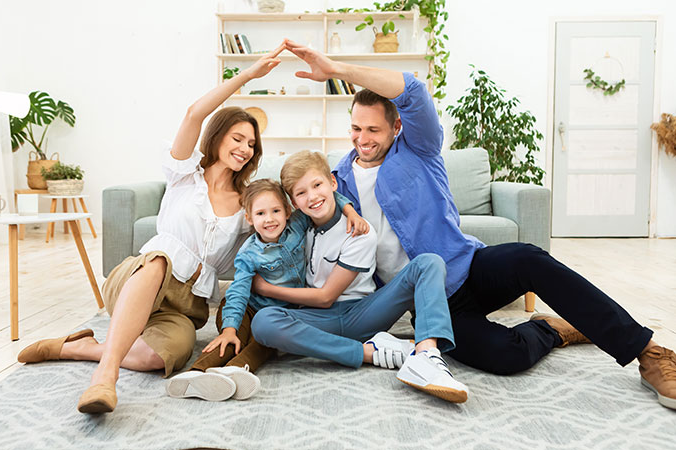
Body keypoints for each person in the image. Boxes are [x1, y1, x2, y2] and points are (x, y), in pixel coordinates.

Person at [280, 39, 676, 411]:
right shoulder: (337, 179)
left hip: (468, 267)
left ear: (396, 128)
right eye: (355, 128)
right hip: (431, 302)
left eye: (373, 130)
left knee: (529, 259)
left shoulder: (419, 147)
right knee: (506, 356)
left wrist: (333, 67)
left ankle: (649, 352)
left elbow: (412, 91)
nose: (362, 139)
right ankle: (553, 330)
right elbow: (300, 204)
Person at [16, 44, 287, 414]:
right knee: (159, 260)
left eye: (251, 144)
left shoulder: (244, 206)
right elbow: (194, 113)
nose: (243, 148)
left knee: (159, 359)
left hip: (186, 304)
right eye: (237, 138)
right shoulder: (184, 174)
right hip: (140, 276)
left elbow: (280, 220)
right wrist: (248, 76)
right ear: (219, 136)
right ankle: (104, 380)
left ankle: (77, 346)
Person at [250, 150, 469, 403]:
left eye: (318, 185)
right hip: (320, 320)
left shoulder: (360, 232)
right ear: (293, 204)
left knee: (429, 263)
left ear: (332, 182)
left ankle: (426, 356)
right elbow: (272, 212)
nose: (312, 197)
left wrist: (265, 289)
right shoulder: (298, 224)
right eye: (301, 193)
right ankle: (371, 353)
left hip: (363, 314)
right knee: (263, 322)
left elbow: (325, 297)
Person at [165, 178, 369, 401]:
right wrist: (229, 328)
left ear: (288, 212)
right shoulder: (248, 253)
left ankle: (233, 372)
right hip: (247, 308)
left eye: (275, 211)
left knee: (262, 343)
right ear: (249, 218)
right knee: (232, 339)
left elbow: (326, 199)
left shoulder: (298, 225)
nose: (270, 219)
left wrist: (351, 212)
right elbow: (238, 292)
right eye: (261, 214)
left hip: (281, 315)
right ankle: (195, 374)